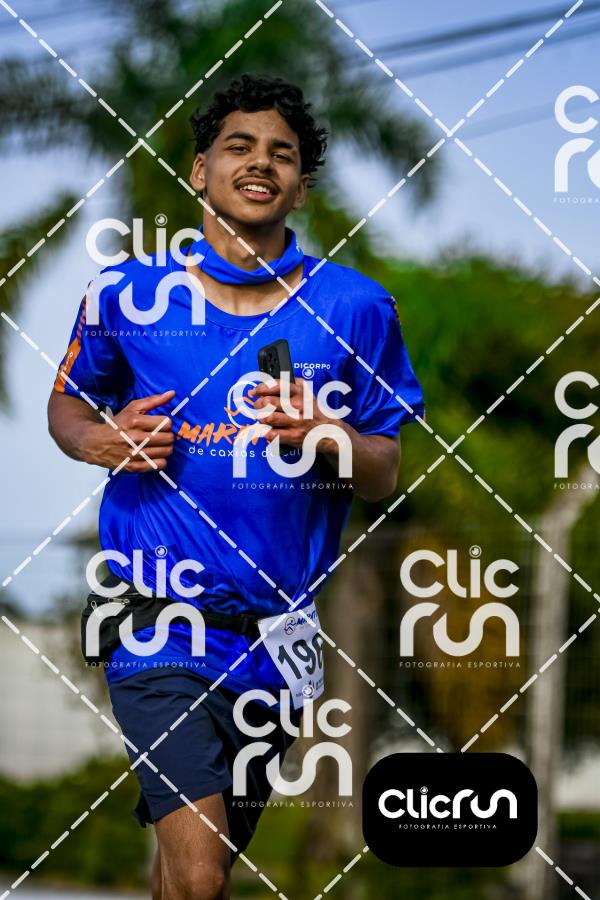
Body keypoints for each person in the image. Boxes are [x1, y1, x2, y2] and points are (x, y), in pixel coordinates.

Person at [48, 73, 424, 900]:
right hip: (157, 621)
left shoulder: (355, 308)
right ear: (199, 170)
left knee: (187, 876)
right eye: (239, 147)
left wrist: (326, 435)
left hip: (275, 645)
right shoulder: (128, 295)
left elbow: (384, 471)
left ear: (301, 186)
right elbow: (68, 403)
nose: (260, 163)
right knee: (201, 877)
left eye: (282, 155)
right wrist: (95, 440)